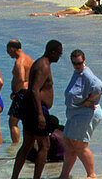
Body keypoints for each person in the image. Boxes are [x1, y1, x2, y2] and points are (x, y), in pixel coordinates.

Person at [11, 39, 63, 179]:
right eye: (59, 53)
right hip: (36, 109)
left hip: (31, 108)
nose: (60, 56)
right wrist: (40, 114)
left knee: (27, 144)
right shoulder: (43, 66)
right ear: (52, 52)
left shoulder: (41, 63)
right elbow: (34, 90)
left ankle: (14, 177)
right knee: (44, 146)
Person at [60, 49, 102, 179]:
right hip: (75, 113)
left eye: (79, 63)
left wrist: (88, 101)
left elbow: (100, 88)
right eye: (75, 63)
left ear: (84, 61)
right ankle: (64, 175)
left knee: (80, 144)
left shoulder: (87, 74)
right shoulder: (77, 72)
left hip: (86, 113)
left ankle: (91, 175)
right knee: (68, 143)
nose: (77, 66)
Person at [6, 39, 34, 144]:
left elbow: (21, 79)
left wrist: (15, 92)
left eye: (8, 50)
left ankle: (15, 147)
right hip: (30, 93)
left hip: (21, 94)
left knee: (13, 123)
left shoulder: (19, 62)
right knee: (28, 122)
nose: (8, 53)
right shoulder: (29, 59)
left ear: (12, 49)